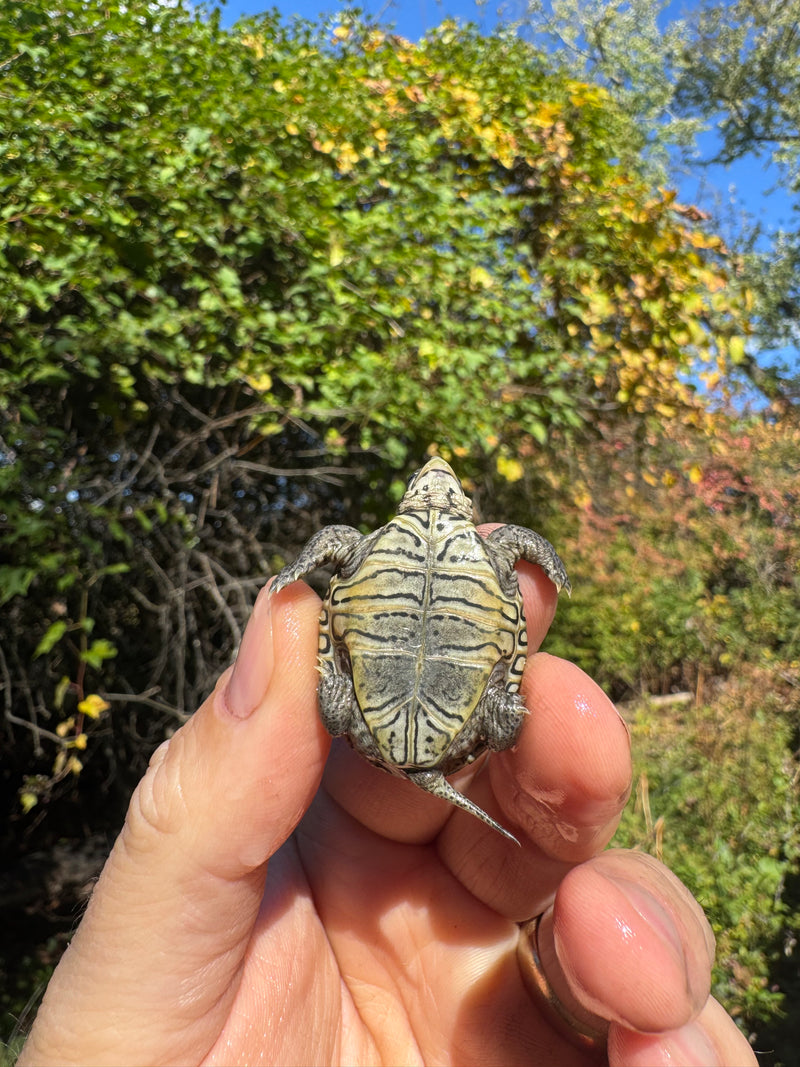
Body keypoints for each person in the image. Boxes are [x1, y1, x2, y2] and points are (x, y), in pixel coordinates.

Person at [19, 562, 757, 1066]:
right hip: (447, 711)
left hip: (387, 715)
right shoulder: (488, 560)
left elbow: (338, 554)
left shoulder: (395, 557)